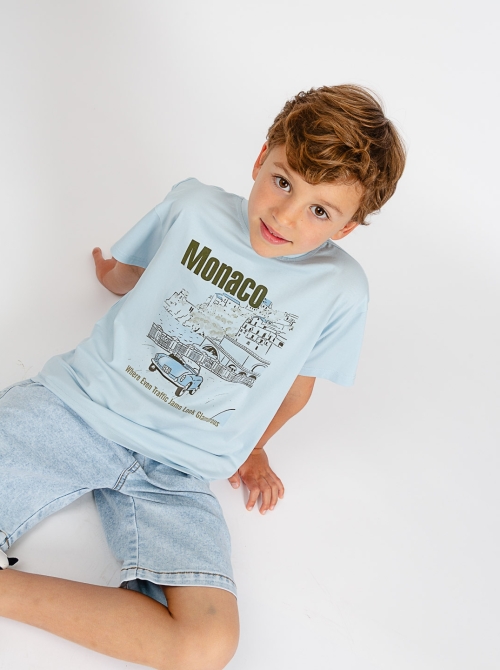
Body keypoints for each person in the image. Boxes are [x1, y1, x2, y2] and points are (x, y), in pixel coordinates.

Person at [0, 84, 405, 669]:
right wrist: (113, 277)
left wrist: (254, 447)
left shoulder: (341, 291)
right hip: (79, 407)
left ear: (345, 229)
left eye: (320, 211)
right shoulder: (193, 207)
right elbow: (135, 272)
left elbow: (298, 387)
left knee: (206, 644)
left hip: (179, 471)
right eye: (283, 181)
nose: (285, 215)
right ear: (261, 157)